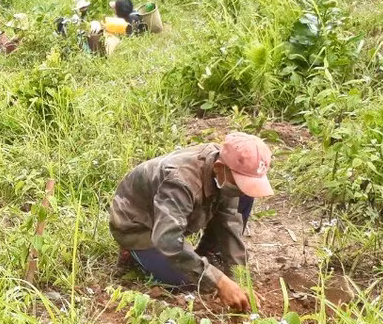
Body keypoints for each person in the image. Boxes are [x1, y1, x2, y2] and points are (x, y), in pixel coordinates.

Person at [109, 132, 274, 312]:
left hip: (175, 213)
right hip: (139, 225)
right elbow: (168, 240)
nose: (242, 189)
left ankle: (207, 254)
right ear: (219, 168)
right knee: (189, 284)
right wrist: (218, 280)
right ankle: (133, 253)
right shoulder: (181, 182)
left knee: (243, 198)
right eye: (240, 182)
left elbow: (230, 224)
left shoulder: (225, 171)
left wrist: (240, 279)